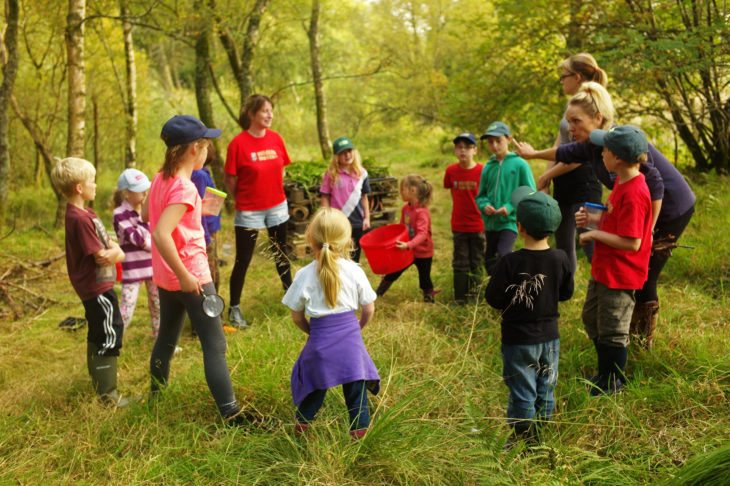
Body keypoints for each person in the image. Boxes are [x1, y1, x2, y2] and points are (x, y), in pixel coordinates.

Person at [515, 82, 696, 348]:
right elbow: (564, 153)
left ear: (598, 118)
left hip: (670, 207)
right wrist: (533, 154)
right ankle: (620, 331)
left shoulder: (622, 143)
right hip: (637, 207)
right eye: (568, 122)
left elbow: (654, 183)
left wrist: (648, 230)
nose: (570, 128)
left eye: (576, 121)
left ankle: (638, 340)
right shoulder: (591, 146)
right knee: (629, 265)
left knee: (644, 272)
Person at [146, 114, 246, 425]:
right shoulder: (184, 188)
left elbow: (157, 220)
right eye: (206, 147)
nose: (208, 153)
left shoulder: (160, 179)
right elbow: (161, 233)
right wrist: (187, 276)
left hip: (165, 276)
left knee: (166, 338)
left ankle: (156, 396)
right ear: (194, 150)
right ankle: (230, 413)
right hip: (192, 277)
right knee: (215, 344)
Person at [485, 186, 573, 443]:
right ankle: (542, 433)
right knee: (546, 386)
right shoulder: (561, 258)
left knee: (522, 389)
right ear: (555, 226)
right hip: (550, 337)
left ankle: (524, 440)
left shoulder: (509, 262)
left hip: (518, 339)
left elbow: (493, 298)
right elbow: (566, 293)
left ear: (520, 227)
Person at [282, 208, 380, 439]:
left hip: (320, 343)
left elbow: (296, 316)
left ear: (310, 238)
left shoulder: (304, 274)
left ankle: (302, 429)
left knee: (316, 387)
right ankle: (359, 437)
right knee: (356, 393)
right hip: (351, 344)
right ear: (347, 240)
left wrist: (312, 331)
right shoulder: (354, 270)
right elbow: (369, 308)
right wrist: (358, 327)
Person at [576, 125, 653, 394]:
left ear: (618, 157)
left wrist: (595, 233)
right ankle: (606, 370)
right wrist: (594, 219)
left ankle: (612, 382)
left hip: (621, 273)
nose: (602, 153)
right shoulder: (621, 181)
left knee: (613, 328)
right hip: (605, 267)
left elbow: (633, 242)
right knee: (591, 318)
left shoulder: (634, 192)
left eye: (605, 150)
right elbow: (616, 221)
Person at [516, 54, 606, 273]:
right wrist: (545, 179)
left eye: (563, 76)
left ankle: (605, 287)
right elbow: (561, 147)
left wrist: (547, 175)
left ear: (576, 77)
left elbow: (579, 154)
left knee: (590, 239)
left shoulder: (593, 106)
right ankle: (565, 288)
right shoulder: (572, 105)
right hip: (563, 182)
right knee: (564, 241)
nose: (561, 81)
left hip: (585, 182)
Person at [50, 157, 128, 407]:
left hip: (100, 285)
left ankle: (101, 383)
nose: (96, 185)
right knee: (109, 330)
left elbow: (111, 245)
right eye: (92, 181)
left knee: (100, 328)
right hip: (96, 288)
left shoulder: (87, 213)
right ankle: (108, 395)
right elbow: (103, 255)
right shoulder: (80, 219)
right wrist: (118, 253)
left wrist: (116, 250)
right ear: (79, 188)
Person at [225, 94, 293, 329]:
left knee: (281, 252)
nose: (269, 115)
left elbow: (281, 169)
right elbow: (230, 179)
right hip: (249, 211)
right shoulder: (237, 144)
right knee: (243, 259)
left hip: (277, 206)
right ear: (251, 114)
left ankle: (292, 298)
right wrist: (243, 199)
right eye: (264, 111)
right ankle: (234, 308)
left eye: (271, 110)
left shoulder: (276, 139)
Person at [475, 122, 536, 275]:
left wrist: (509, 207)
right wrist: (485, 205)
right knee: (489, 259)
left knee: (504, 254)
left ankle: (515, 285)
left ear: (509, 139)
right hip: (490, 224)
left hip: (510, 222)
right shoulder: (488, 167)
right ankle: (498, 289)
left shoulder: (520, 164)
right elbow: (480, 195)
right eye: (490, 142)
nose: (495, 145)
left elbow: (529, 191)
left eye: (499, 140)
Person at [375, 174, 438, 302]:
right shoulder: (406, 209)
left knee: (424, 277)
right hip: (407, 250)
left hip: (423, 252)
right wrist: (393, 236)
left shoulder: (422, 212)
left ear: (412, 191)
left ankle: (429, 297)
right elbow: (402, 228)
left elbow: (422, 234)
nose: (400, 192)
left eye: (402, 189)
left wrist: (408, 244)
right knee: (394, 271)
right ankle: (377, 295)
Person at [113, 168, 160, 337]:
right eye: (140, 190)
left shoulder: (148, 210)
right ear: (127, 194)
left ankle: (160, 338)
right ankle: (114, 340)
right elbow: (138, 238)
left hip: (152, 267)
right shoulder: (119, 215)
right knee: (127, 307)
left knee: (158, 304)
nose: (146, 193)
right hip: (133, 269)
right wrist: (156, 242)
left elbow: (155, 230)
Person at [443, 132, 485, 303]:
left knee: (477, 261)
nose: (463, 151)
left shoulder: (482, 171)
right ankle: (460, 298)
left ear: (475, 150)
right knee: (460, 262)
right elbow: (447, 186)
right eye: (459, 147)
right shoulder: (451, 171)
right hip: (459, 224)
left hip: (479, 224)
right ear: (455, 150)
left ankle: (475, 297)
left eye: (467, 147)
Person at [319, 136, 371, 262]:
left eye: (349, 151)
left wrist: (367, 218)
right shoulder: (331, 174)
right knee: (337, 255)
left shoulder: (362, 173)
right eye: (342, 153)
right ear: (336, 156)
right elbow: (325, 196)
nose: (347, 155)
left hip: (357, 222)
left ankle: (352, 280)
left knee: (354, 255)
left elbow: (364, 197)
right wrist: (327, 216)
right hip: (338, 221)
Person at [191, 145, 223, 291]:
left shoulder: (204, 172)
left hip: (211, 228)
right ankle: (212, 306)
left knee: (214, 267)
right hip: (206, 232)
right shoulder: (199, 175)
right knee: (211, 272)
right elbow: (201, 208)